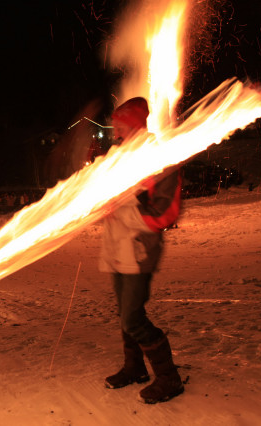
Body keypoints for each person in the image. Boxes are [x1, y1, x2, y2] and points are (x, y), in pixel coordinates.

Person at [100, 97, 184, 404]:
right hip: (117, 248)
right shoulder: (118, 159)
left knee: (133, 318)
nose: (114, 132)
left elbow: (165, 213)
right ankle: (134, 368)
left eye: (120, 126)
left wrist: (119, 209)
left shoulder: (158, 159)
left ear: (134, 124)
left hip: (139, 251)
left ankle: (169, 377)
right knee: (125, 314)